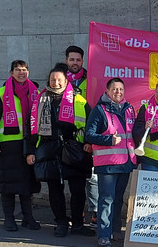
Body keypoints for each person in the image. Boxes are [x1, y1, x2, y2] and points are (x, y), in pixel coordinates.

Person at [25, 63, 95, 237]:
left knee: (77, 189)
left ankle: (78, 224)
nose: (55, 82)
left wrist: (88, 142)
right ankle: (61, 222)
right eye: (52, 79)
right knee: (55, 189)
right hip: (49, 149)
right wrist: (30, 151)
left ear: (65, 81)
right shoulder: (39, 100)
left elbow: (91, 123)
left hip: (73, 149)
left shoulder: (79, 100)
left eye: (59, 79)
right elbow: (30, 127)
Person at [85, 78, 137, 247]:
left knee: (118, 199)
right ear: (107, 91)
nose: (118, 92)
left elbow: (132, 135)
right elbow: (89, 135)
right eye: (114, 89)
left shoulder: (129, 110)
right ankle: (103, 235)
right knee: (106, 199)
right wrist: (108, 140)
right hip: (107, 164)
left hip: (125, 163)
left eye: (121, 89)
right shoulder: (99, 110)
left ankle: (116, 230)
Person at [0, 60, 41, 231]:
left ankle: (28, 217)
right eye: (18, 70)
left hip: (28, 144)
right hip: (7, 145)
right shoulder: (1, 93)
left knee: (27, 184)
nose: (21, 73)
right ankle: (9, 219)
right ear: (11, 73)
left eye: (24, 70)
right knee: (8, 185)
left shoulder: (35, 92)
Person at [64, 45, 98, 227]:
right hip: (67, 140)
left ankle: (94, 213)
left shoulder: (91, 79)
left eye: (78, 60)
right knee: (72, 181)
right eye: (72, 59)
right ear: (66, 61)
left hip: (88, 138)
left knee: (92, 179)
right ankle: (75, 215)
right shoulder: (60, 80)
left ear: (82, 62)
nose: (75, 63)